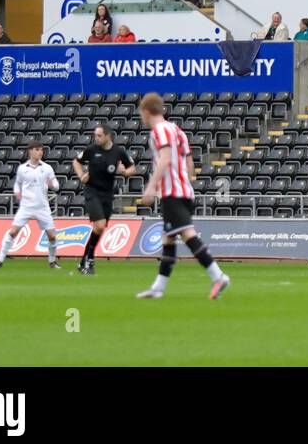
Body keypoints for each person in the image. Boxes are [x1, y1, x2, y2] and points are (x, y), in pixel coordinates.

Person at [135, 93, 231, 300]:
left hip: (173, 192)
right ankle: (158, 288)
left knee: (188, 235)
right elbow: (188, 164)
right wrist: (183, 181)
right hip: (185, 190)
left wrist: (151, 187)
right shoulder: (177, 130)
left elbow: (166, 159)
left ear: (146, 111)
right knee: (168, 238)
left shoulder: (159, 130)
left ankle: (218, 275)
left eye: (141, 113)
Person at [72, 125, 137, 276]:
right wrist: (81, 176)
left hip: (107, 194)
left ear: (108, 136)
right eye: (95, 135)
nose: (96, 138)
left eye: (99, 135)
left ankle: (84, 260)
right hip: (92, 191)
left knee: (100, 228)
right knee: (100, 225)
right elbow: (76, 162)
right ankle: (91, 258)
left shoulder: (118, 152)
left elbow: (133, 168)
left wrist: (125, 172)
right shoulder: (91, 150)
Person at [0, 140, 61, 270]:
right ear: (30, 151)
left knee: (52, 235)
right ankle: (0, 261)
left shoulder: (47, 168)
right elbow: (18, 183)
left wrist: (52, 185)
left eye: (41, 150)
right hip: (26, 206)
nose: (40, 152)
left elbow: (56, 186)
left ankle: (52, 261)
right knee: (13, 232)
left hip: (42, 207)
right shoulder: (22, 168)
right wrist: (17, 192)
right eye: (37, 150)